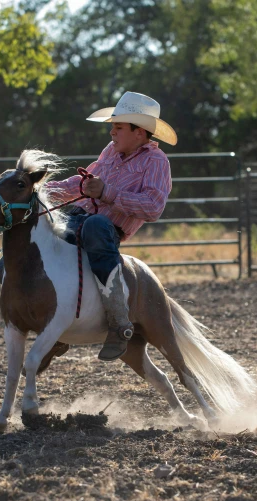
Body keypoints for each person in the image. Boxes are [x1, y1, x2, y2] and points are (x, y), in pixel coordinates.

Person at [37, 92, 177, 361]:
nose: (112, 131)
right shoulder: (110, 152)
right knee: (39, 238)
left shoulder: (157, 162)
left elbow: (153, 207)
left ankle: (118, 320)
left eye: (119, 127)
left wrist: (107, 193)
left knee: (96, 225)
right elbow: (80, 186)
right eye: (113, 126)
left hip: (106, 230)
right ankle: (53, 324)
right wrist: (39, 191)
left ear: (140, 132)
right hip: (79, 218)